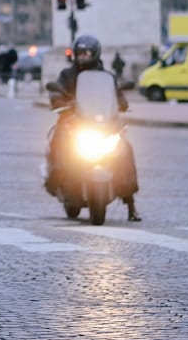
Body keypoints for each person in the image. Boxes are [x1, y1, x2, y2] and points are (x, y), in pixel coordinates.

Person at [45, 34, 141, 221]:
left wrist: (121, 103)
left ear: (95, 54)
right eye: (80, 53)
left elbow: (116, 95)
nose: (83, 57)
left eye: (87, 53)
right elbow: (57, 91)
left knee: (125, 150)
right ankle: (54, 180)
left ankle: (130, 203)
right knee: (58, 142)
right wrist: (59, 101)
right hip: (74, 121)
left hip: (103, 122)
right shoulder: (67, 75)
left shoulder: (107, 77)